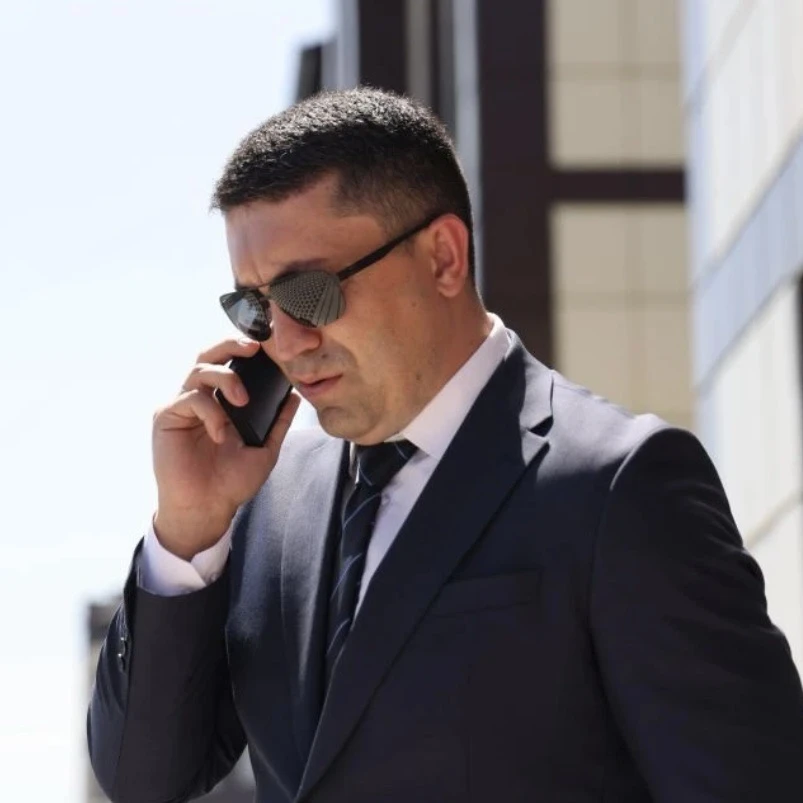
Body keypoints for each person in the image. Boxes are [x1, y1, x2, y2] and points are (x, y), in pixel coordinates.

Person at [88, 87, 803, 803]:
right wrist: (187, 530)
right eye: (255, 307)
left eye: (308, 292)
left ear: (443, 257)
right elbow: (143, 780)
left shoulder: (621, 487)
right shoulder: (265, 501)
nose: (286, 342)